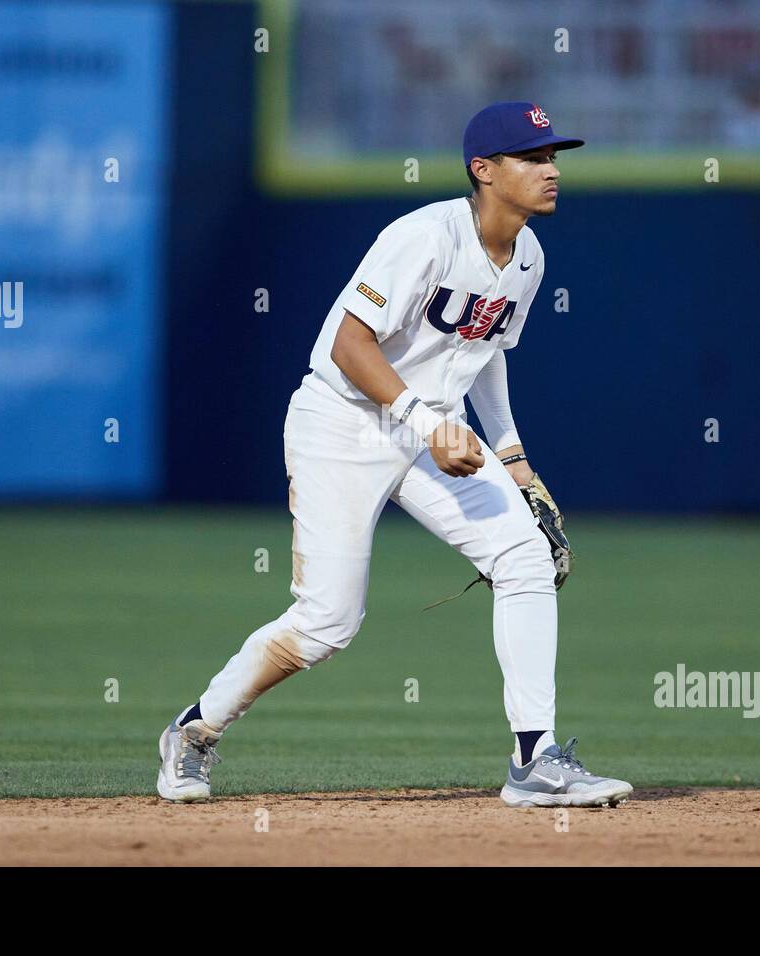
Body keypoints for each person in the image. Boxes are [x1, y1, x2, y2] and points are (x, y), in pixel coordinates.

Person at [157, 101, 633, 808]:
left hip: (432, 427)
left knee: (525, 556)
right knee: (326, 622)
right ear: (484, 170)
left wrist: (514, 458)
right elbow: (352, 346)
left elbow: (488, 351)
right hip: (343, 422)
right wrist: (418, 417)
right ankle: (194, 730)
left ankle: (534, 761)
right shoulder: (423, 238)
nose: (551, 170)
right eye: (532, 158)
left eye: (552, 156)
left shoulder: (528, 257)